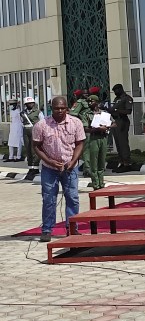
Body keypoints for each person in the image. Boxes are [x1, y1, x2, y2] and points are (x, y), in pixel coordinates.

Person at [32, 96, 86, 242]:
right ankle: (47, 230)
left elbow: (80, 143)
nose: (60, 111)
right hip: (49, 168)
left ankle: (72, 228)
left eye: (62, 108)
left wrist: (73, 161)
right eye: (56, 108)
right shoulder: (41, 125)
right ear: (51, 108)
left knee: (72, 197)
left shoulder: (76, 123)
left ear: (67, 108)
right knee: (49, 198)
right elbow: (36, 146)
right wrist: (49, 161)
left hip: (70, 167)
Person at [79, 94, 111, 190]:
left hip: (103, 138)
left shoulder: (104, 113)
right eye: (88, 101)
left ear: (97, 102)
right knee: (94, 161)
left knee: (102, 160)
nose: (89, 103)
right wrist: (98, 128)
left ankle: (101, 183)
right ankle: (95, 184)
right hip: (93, 138)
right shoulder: (85, 114)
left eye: (91, 101)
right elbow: (85, 128)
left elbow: (113, 123)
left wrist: (107, 126)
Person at [109, 83, 134, 172]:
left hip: (122, 121)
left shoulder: (127, 98)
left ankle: (127, 163)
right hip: (116, 121)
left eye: (116, 91)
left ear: (120, 89)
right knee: (118, 143)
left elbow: (128, 111)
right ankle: (122, 162)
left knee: (123, 143)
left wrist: (116, 110)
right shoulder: (117, 99)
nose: (115, 93)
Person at [20, 97, 40, 170]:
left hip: (34, 130)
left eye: (31, 103)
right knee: (28, 149)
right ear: (25, 104)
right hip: (26, 131)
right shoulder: (22, 113)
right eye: (28, 103)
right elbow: (21, 122)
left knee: (34, 149)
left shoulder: (38, 112)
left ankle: (36, 167)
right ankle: (30, 167)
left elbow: (42, 121)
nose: (30, 105)